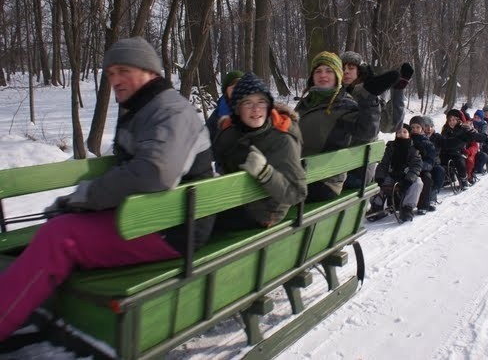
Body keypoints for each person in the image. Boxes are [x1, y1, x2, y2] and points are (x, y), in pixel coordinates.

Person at [0, 37, 215, 341]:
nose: (114, 80)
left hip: (175, 225)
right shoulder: (143, 108)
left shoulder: (170, 111)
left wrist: (85, 196)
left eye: (122, 70)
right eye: (110, 73)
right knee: (58, 227)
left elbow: (154, 173)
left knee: (59, 237)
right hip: (153, 216)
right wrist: (78, 203)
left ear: (149, 71)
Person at [214, 73, 307, 229]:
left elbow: (297, 192)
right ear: (237, 109)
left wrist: (265, 173)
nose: (256, 109)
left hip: (264, 213)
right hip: (233, 201)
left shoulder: (282, 139)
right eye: (248, 103)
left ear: (269, 106)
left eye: (261, 102)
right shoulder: (230, 133)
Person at [295, 51, 383, 201]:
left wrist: (370, 97)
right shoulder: (305, 103)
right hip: (301, 174)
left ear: (337, 76)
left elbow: (366, 132)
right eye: (318, 71)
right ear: (312, 76)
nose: (323, 75)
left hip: (323, 180)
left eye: (329, 71)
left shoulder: (344, 105)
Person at [340, 51, 414, 134]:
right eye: (342, 68)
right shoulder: (333, 93)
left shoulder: (371, 93)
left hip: (366, 146)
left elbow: (389, 126)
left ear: (360, 70)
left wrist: (398, 90)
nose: (345, 71)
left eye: (351, 68)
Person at [371, 124, 423, 222]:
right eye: (399, 132)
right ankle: (377, 205)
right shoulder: (391, 147)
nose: (401, 134)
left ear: (409, 134)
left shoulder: (414, 149)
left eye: (404, 132)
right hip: (392, 175)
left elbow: (416, 166)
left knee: (418, 182)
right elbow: (383, 163)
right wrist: (380, 177)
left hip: (405, 177)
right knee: (375, 180)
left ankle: (407, 208)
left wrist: (409, 179)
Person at [206, 70, 244, 147]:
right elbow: (204, 140)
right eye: (233, 88)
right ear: (226, 91)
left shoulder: (256, 109)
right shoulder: (218, 114)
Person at [409, 116, 437, 213]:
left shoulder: (428, 144)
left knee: (427, 178)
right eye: (412, 128)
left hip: (423, 169)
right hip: (408, 168)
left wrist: (420, 167)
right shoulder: (408, 140)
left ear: (422, 129)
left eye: (417, 127)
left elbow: (430, 161)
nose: (415, 130)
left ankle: (423, 205)